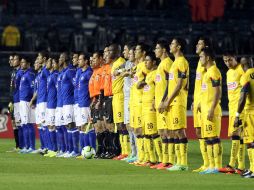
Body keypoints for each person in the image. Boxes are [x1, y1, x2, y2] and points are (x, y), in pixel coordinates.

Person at [158, 38, 189, 171]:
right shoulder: (175, 62)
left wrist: (168, 100)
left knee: (179, 131)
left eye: (173, 44)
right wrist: (166, 100)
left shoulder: (181, 62)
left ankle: (183, 163)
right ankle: (178, 161)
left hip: (177, 101)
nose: (170, 45)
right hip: (171, 102)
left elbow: (180, 84)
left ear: (179, 46)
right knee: (173, 131)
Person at [219, 52, 245, 174]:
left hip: (241, 109)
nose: (228, 63)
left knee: (236, 134)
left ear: (235, 58)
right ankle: (240, 166)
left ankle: (232, 165)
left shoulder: (242, 69)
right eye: (225, 61)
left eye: (230, 60)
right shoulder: (228, 73)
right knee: (237, 136)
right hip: (232, 107)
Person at [198, 47, 223, 174]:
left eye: (201, 56)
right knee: (208, 138)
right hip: (205, 109)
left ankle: (217, 166)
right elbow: (206, 91)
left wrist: (212, 108)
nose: (200, 58)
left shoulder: (214, 71)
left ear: (207, 58)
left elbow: (217, 91)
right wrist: (199, 104)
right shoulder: (207, 72)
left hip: (211, 110)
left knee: (213, 138)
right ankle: (211, 165)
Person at [152, 40, 173, 169]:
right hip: (159, 102)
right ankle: (164, 160)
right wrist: (155, 98)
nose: (155, 50)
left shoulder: (168, 64)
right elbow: (159, 85)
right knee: (161, 132)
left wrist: (164, 100)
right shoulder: (161, 64)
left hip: (165, 104)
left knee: (167, 131)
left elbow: (171, 83)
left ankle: (170, 160)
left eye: (157, 48)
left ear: (164, 50)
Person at [137, 52, 159, 167]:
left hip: (151, 107)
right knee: (146, 133)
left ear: (154, 62)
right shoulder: (149, 74)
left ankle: (160, 159)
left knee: (153, 133)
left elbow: (159, 88)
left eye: (147, 60)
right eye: (144, 60)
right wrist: (142, 83)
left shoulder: (156, 74)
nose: (145, 62)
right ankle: (151, 159)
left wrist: (155, 99)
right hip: (144, 107)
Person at [192, 37, 211, 172]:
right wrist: (194, 100)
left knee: (207, 132)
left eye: (200, 44)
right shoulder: (200, 62)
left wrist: (202, 101)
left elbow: (207, 86)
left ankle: (212, 163)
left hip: (205, 103)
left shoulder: (209, 64)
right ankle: (205, 163)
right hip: (198, 101)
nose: (197, 45)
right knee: (198, 131)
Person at [234, 57, 254, 178]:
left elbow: (242, 98)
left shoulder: (246, 76)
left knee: (250, 142)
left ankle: (253, 169)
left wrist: (237, 115)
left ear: (242, 66)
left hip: (251, 112)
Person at [132, 43, 150, 165]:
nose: (135, 52)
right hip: (135, 101)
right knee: (137, 130)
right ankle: (141, 157)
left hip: (141, 101)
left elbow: (150, 76)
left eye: (137, 50)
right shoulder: (138, 66)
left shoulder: (144, 65)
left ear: (143, 53)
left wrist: (142, 82)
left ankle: (146, 157)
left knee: (141, 129)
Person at [109, 43, 128, 160]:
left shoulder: (121, 61)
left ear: (117, 51)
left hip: (121, 96)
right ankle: (124, 152)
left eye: (112, 50)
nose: (110, 52)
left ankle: (127, 152)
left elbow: (125, 69)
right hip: (115, 96)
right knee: (118, 125)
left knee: (122, 124)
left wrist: (119, 70)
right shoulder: (114, 64)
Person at [61, 52, 78, 158]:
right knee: (67, 125)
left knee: (72, 125)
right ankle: (70, 150)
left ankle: (75, 150)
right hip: (65, 102)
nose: (59, 59)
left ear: (65, 59)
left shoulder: (70, 71)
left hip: (70, 102)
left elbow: (75, 85)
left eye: (61, 57)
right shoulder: (65, 71)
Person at [77, 53, 94, 154]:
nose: (79, 61)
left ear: (86, 61)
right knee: (81, 127)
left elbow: (92, 89)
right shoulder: (80, 72)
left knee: (87, 126)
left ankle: (91, 150)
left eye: (80, 59)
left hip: (86, 103)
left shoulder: (89, 73)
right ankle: (84, 151)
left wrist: (92, 101)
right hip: (80, 103)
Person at [19, 57, 36, 153]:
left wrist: (32, 101)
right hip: (22, 101)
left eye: (23, 62)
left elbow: (33, 88)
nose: (21, 64)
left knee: (28, 124)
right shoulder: (24, 74)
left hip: (27, 101)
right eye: (21, 62)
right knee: (24, 124)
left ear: (28, 63)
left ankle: (32, 147)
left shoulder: (30, 74)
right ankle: (27, 146)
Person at [44, 58, 59, 157]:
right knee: (49, 126)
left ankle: (55, 149)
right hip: (49, 105)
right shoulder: (49, 76)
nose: (50, 64)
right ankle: (51, 148)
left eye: (53, 62)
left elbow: (58, 91)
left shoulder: (55, 75)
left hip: (54, 105)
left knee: (53, 126)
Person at [9, 54, 24, 152]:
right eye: (11, 60)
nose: (12, 61)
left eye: (14, 59)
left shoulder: (20, 72)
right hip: (13, 100)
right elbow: (12, 88)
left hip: (19, 101)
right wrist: (11, 100)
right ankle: (18, 145)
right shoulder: (14, 72)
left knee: (19, 123)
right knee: (14, 122)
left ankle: (21, 145)